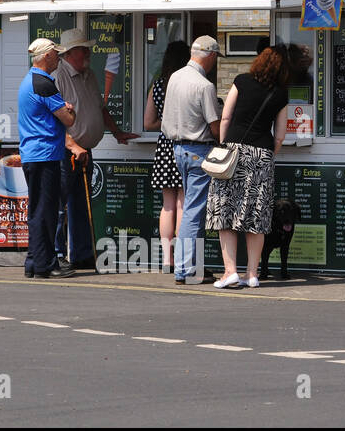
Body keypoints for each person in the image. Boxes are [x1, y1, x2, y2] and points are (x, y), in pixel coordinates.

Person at [53, 28, 138, 271]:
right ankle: (58, 254)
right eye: (83, 49)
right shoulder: (58, 76)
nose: (88, 53)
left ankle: (81, 253)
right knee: (62, 206)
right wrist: (73, 144)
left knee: (82, 202)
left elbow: (100, 108)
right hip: (67, 151)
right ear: (70, 53)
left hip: (85, 150)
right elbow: (55, 118)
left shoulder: (88, 74)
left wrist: (117, 131)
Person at [206, 46, 290, 289]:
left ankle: (230, 271)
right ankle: (252, 274)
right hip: (262, 155)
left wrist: (224, 146)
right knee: (256, 216)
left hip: (232, 153)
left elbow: (226, 117)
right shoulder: (281, 93)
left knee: (224, 213)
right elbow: (280, 135)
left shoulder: (241, 81)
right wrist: (267, 154)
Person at [161, 36, 222, 284]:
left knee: (189, 209)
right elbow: (215, 126)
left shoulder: (175, 77)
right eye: (216, 57)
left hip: (178, 149)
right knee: (193, 213)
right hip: (199, 151)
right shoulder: (204, 86)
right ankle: (185, 270)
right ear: (210, 56)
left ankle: (191, 267)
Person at [19, 38, 78, 279]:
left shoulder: (30, 80)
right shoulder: (44, 84)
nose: (59, 58)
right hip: (45, 155)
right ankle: (45, 264)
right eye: (56, 54)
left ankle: (34, 260)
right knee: (46, 211)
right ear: (46, 57)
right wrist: (70, 109)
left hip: (34, 153)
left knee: (37, 209)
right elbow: (68, 120)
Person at [143, 40, 192, 272]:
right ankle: (183, 257)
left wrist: (167, 123)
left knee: (168, 206)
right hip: (185, 145)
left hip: (164, 146)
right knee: (183, 204)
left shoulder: (158, 85)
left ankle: (166, 259)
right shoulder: (188, 84)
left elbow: (148, 122)